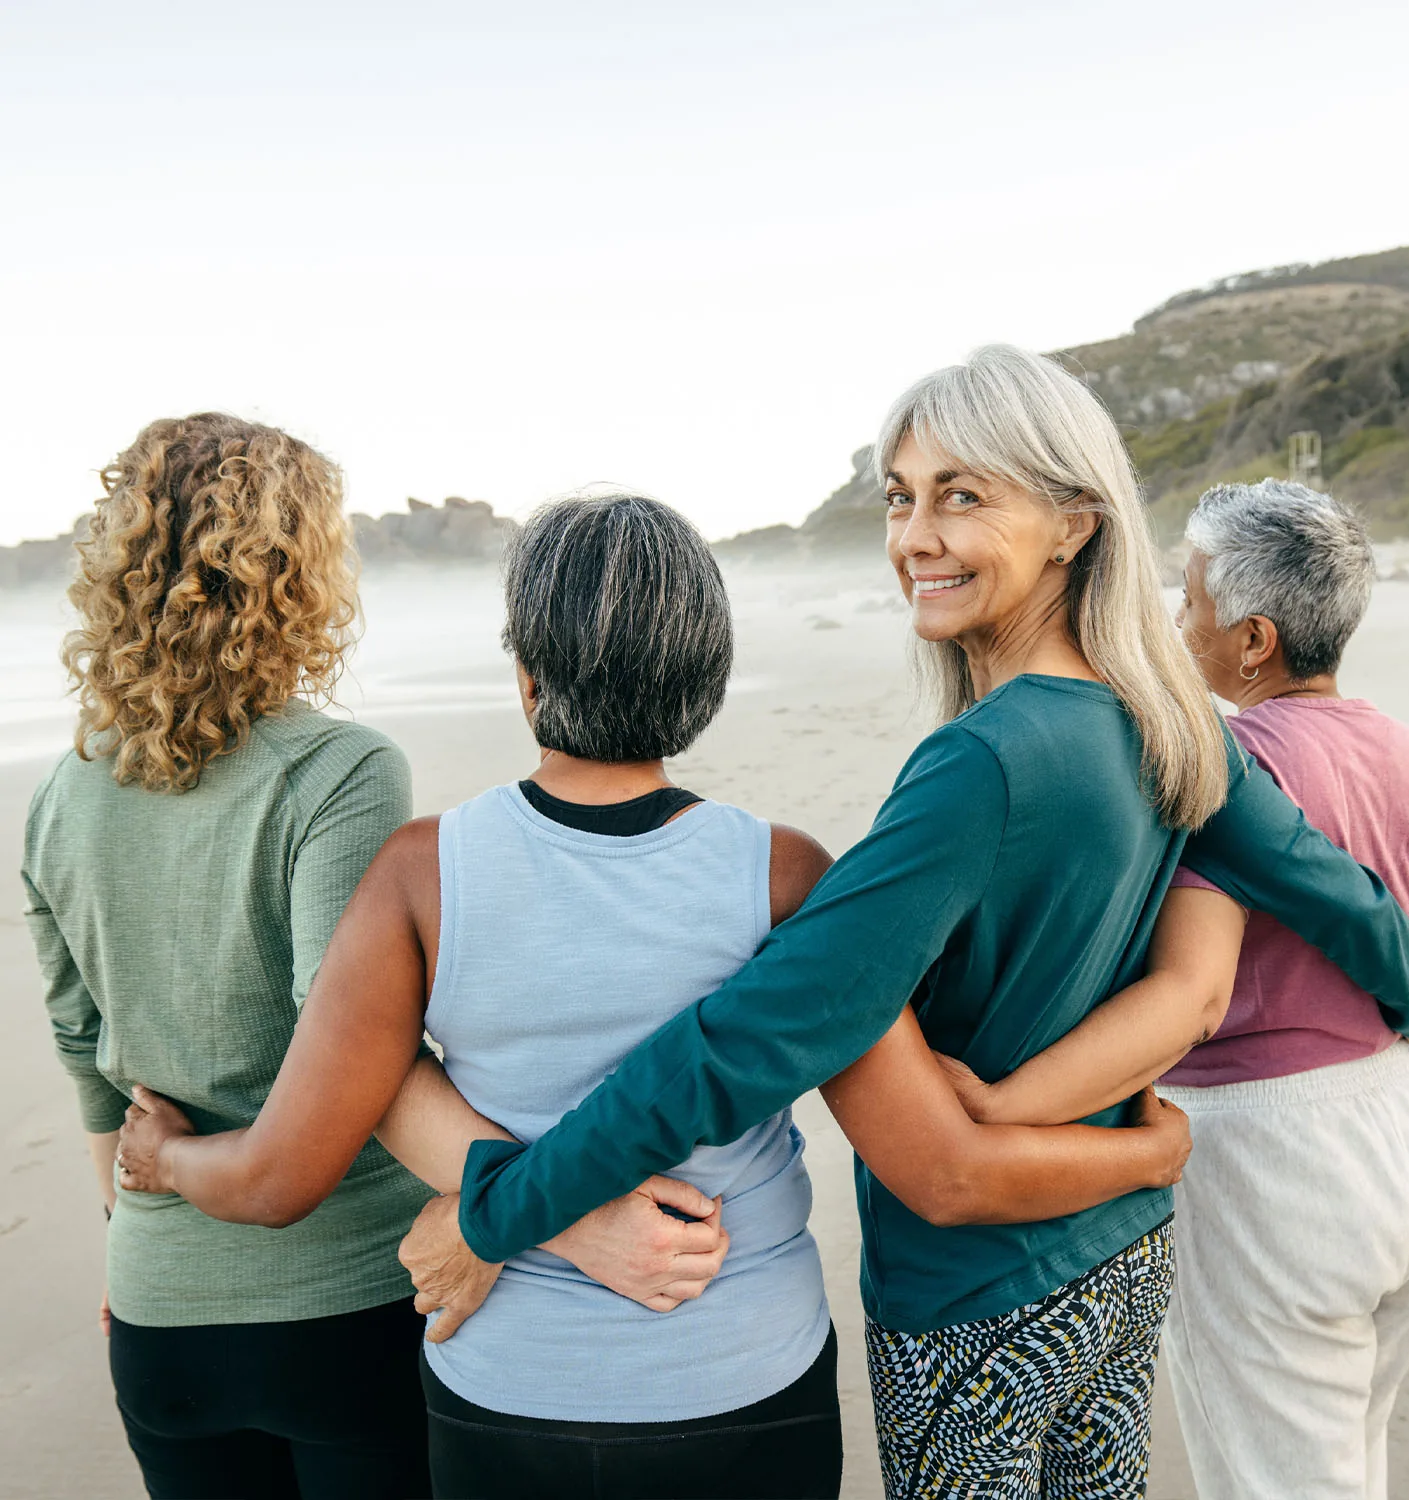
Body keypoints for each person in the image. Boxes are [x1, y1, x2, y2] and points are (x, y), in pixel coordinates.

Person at [386, 348, 1409, 1499]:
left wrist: (499, 1210)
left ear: (1074, 524)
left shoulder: (982, 767)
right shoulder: (1164, 719)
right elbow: (1324, 879)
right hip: (1118, 1260)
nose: (915, 537)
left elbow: (750, 1037)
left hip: (974, 1301)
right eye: (901, 496)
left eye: (962, 494)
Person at [116, 491, 1202, 1500]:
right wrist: (1151, 1154)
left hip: (512, 1393)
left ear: (528, 678)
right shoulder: (786, 875)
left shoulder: (419, 872)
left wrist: (163, 1159)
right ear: (703, 683)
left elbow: (278, 1176)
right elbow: (933, 1161)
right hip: (741, 1382)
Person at [23, 419, 720, 1500]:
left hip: (159, 1315)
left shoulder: (59, 797)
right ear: (299, 572)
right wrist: (546, 1216)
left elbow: (83, 1053)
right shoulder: (336, 774)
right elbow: (355, 1042)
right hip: (344, 1304)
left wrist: (134, 1235)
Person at [1157, 480, 1409, 1500]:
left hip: (1275, 1162)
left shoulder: (1229, 776)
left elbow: (1190, 991)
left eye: (1188, 596)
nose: (1173, 617)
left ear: (1252, 640)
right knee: (1347, 1465)